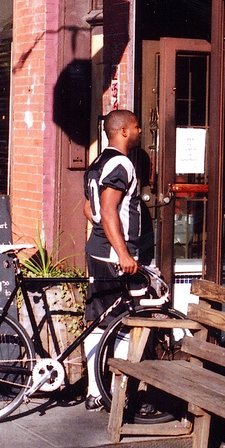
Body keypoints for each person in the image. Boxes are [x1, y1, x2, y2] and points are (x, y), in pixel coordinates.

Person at [82, 108, 142, 410]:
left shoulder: (97, 162)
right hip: (112, 253)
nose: (140, 131)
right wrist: (123, 254)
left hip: (96, 248)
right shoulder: (121, 163)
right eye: (135, 127)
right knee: (125, 321)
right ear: (122, 131)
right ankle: (119, 396)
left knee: (97, 319)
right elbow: (106, 210)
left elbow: (88, 208)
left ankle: (94, 391)